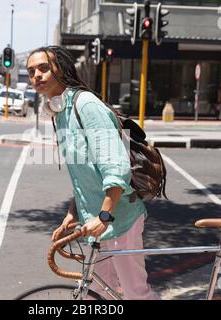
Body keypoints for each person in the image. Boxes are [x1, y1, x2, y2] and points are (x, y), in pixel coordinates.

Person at [26, 46, 159, 300]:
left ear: (61, 69)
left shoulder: (85, 105)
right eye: (31, 71)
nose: (37, 76)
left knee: (135, 293)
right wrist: (72, 212)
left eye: (44, 68)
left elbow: (114, 167)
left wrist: (104, 214)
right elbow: (85, 175)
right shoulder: (60, 113)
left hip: (119, 219)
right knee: (98, 292)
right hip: (99, 223)